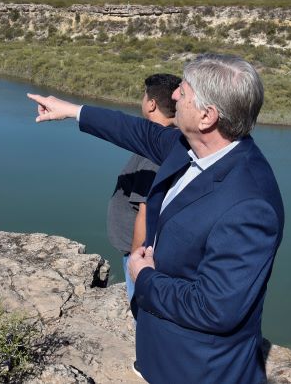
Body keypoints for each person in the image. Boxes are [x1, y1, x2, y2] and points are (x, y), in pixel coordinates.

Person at [28, 54, 284, 384]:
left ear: (207, 116)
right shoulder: (191, 148)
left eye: (185, 92)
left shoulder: (249, 204)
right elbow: (137, 131)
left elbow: (216, 309)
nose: (174, 95)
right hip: (162, 351)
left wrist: (144, 277)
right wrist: (72, 111)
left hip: (198, 368)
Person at [107, 74, 180, 372]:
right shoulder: (165, 142)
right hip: (145, 251)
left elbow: (145, 212)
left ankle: (151, 366)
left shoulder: (154, 155)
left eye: (142, 96)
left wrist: (137, 263)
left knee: (144, 310)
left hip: (139, 254)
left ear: (150, 103)